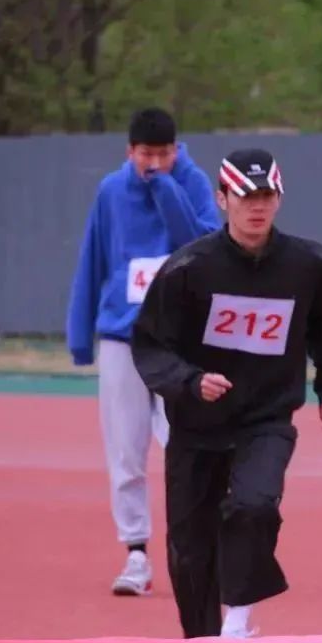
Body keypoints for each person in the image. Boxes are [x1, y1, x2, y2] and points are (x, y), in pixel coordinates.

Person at [129, 147, 322, 639]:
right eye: (246, 195)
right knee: (190, 547)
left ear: (280, 199)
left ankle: (239, 616)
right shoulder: (189, 268)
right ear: (222, 198)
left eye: (267, 195)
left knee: (255, 506)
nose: (257, 205)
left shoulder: (310, 264)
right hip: (197, 424)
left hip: (266, 419)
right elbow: (151, 344)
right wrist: (190, 381)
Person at [66, 107, 221, 596]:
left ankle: (194, 548)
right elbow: (93, 258)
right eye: (145, 155)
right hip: (122, 336)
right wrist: (79, 334)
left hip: (181, 342)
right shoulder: (111, 191)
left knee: (189, 447)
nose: (154, 163)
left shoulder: (194, 183)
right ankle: (135, 554)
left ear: (177, 149)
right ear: (129, 150)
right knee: (125, 451)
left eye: (164, 154)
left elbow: (201, 246)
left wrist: (166, 189)